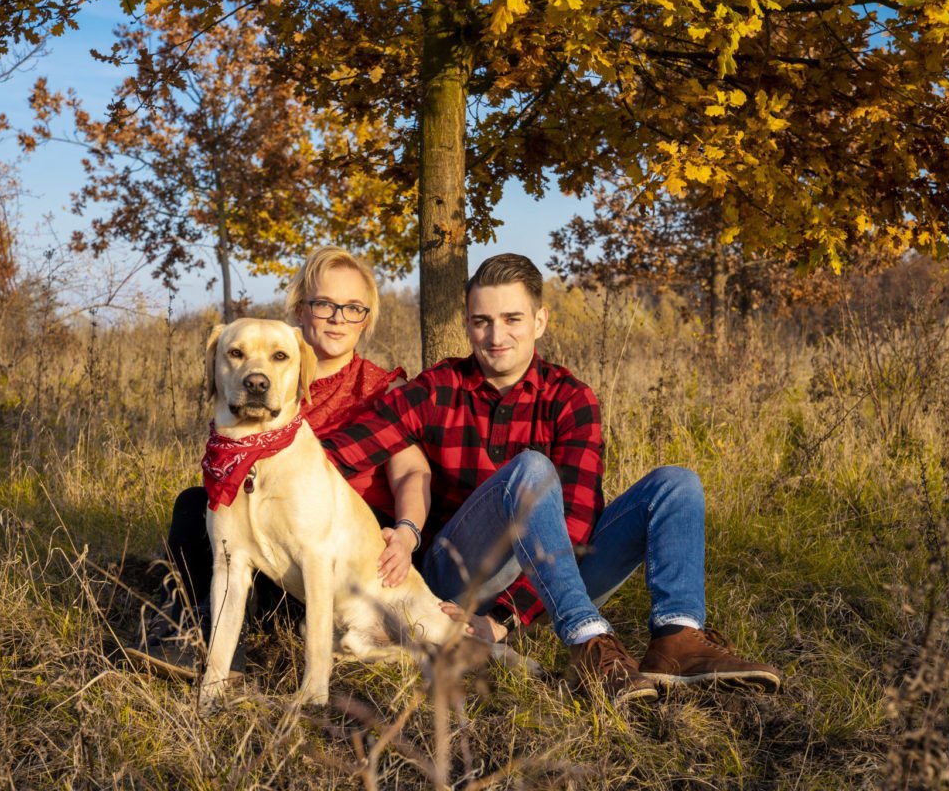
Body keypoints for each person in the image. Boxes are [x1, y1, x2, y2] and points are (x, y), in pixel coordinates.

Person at [321, 253, 783, 700]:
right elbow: (342, 453)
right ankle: (587, 641)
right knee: (531, 469)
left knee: (676, 484)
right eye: (481, 321)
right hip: (459, 576)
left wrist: (506, 616)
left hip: (548, 580)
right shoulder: (438, 388)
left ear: (539, 321)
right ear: (467, 324)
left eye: (512, 319)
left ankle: (677, 640)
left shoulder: (571, 398)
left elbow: (579, 520)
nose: (495, 335)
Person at [132, 246, 430, 677]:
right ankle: (190, 631)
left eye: (352, 308)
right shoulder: (265, 367)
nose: (337, 318)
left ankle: (253, 634)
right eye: (325, 304)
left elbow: (412, 472)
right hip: (270, 534)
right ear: (300, 309)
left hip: (350, 543)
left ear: (366, 319)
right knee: (194, 504)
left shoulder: (381, 388)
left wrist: (405, 534)